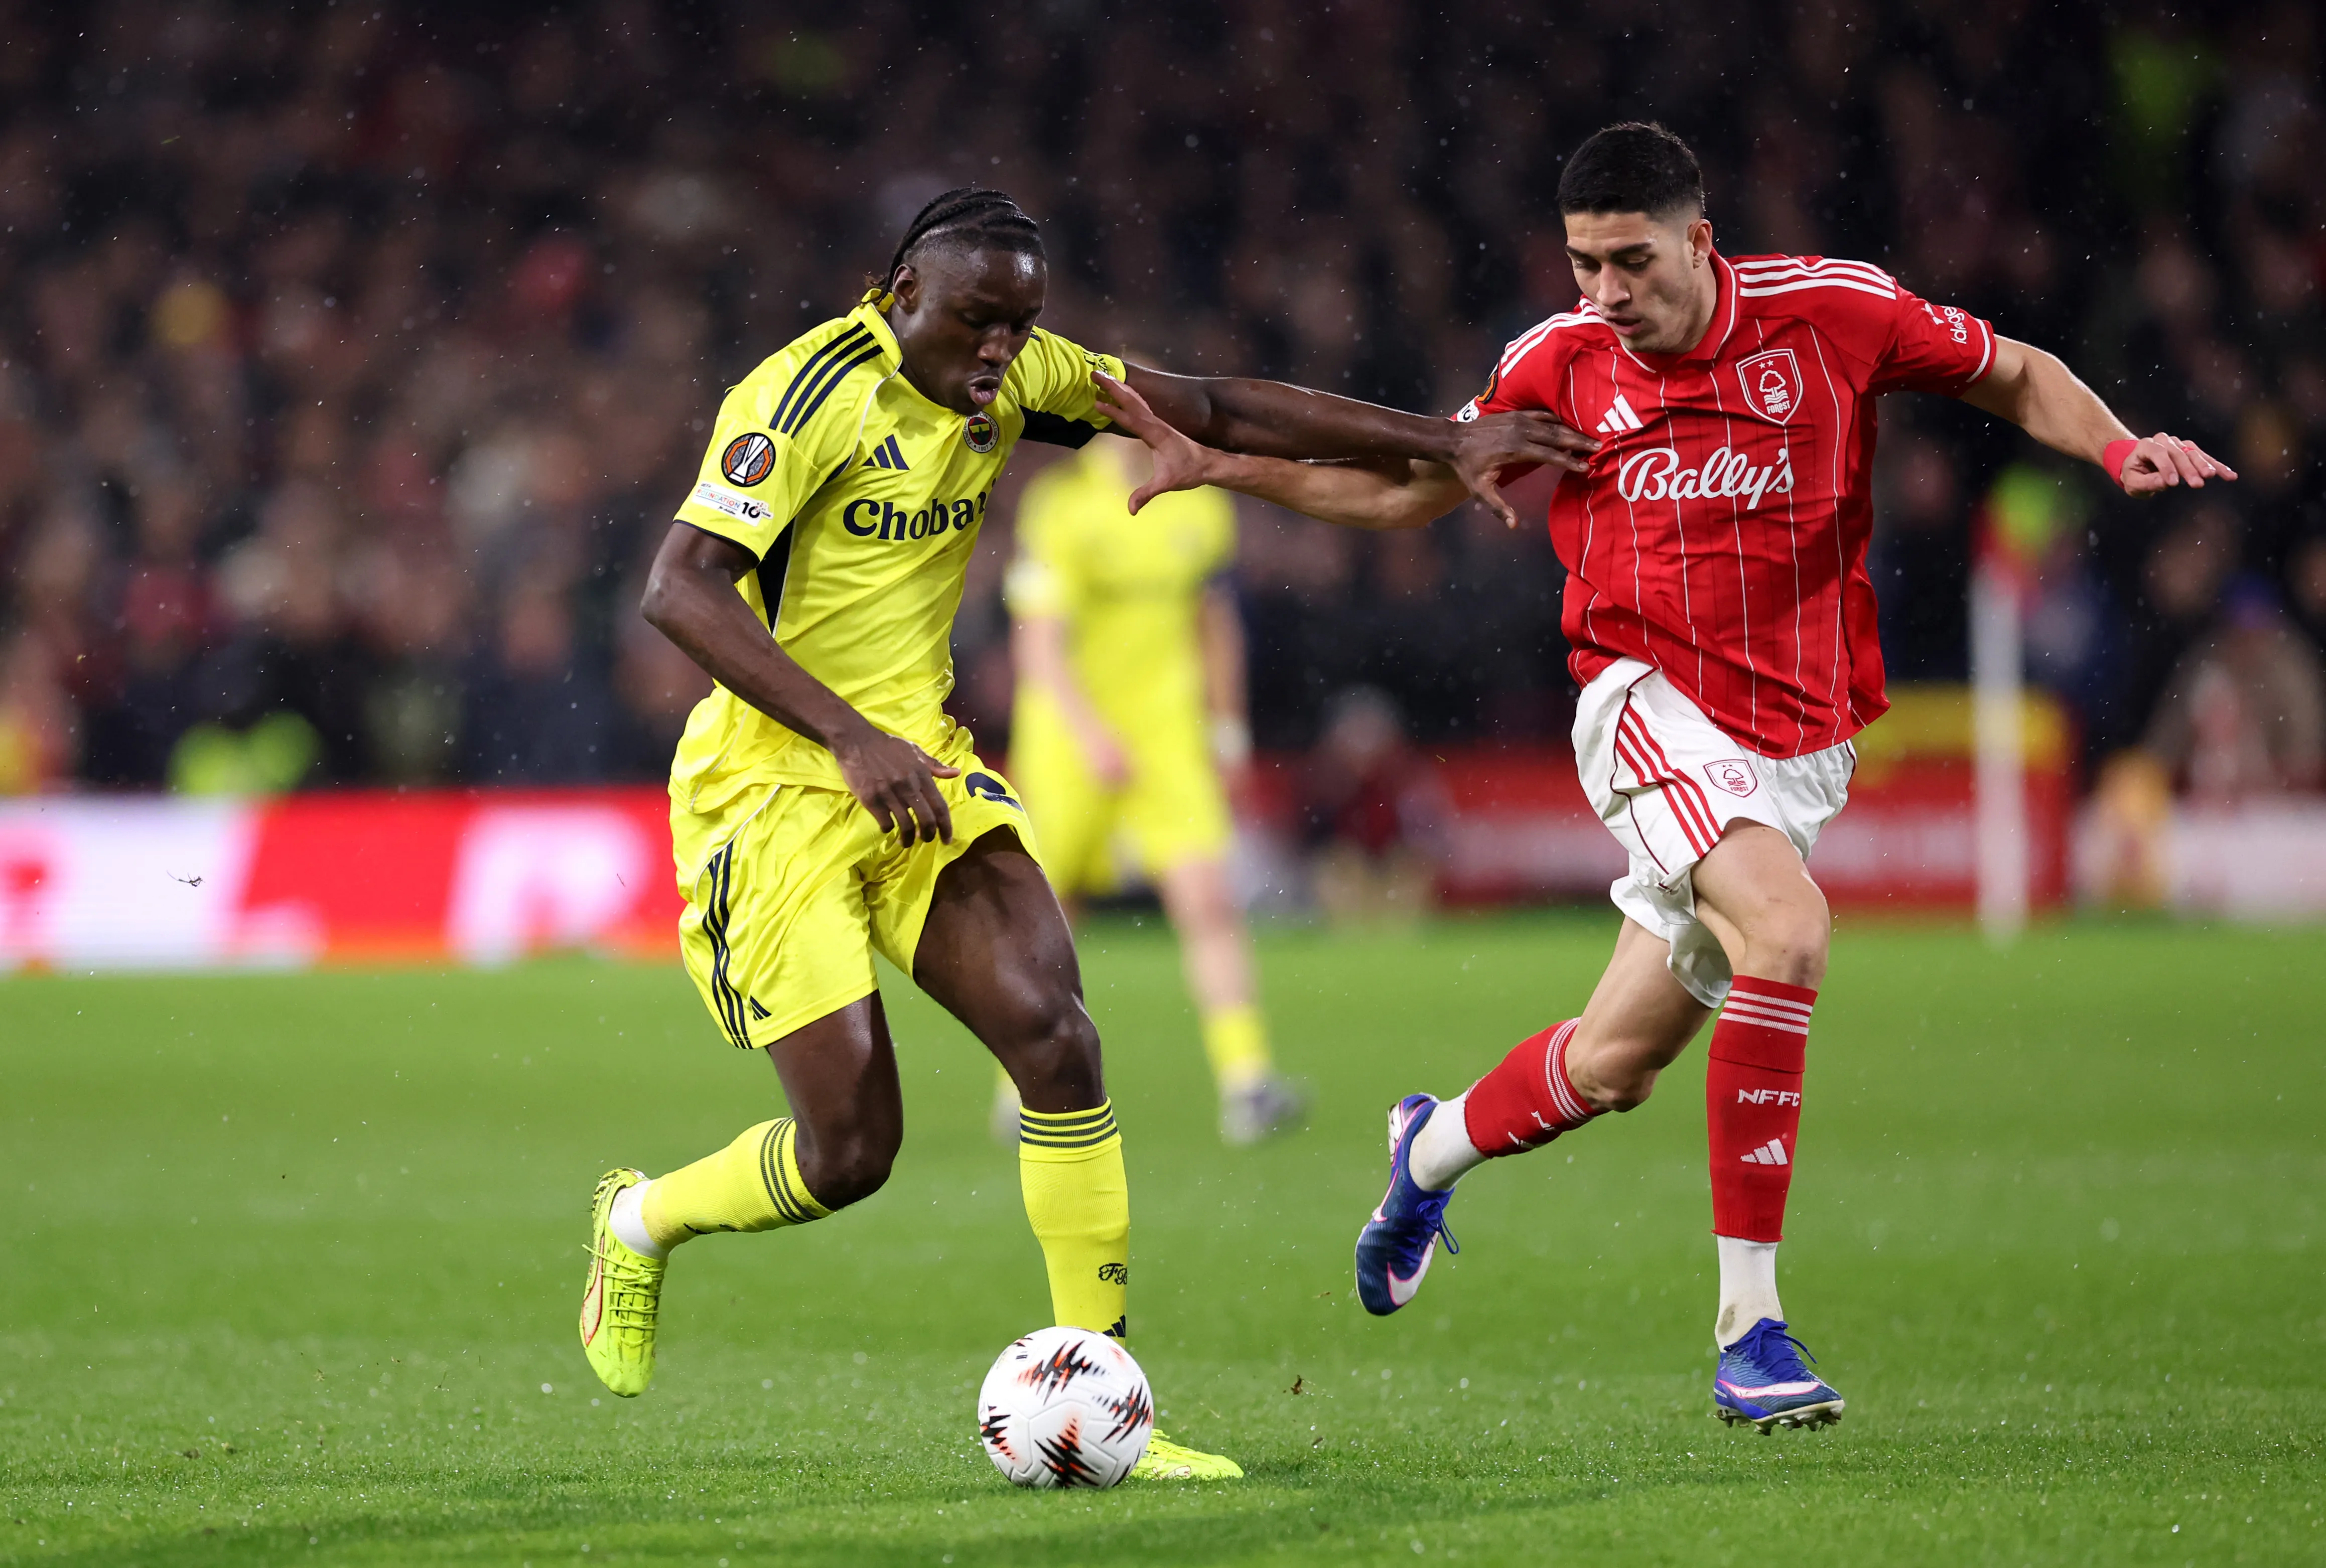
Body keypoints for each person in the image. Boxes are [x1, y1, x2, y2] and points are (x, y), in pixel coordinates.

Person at [1092, 123, 2236, 1433]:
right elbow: (1414, 489)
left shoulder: (1833, 311)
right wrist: (1228, 467)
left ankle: (1429, 1146)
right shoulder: (1559, 364)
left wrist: (2113, 446)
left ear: (1701, 242)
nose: (1603, 294)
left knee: (1614, 1063)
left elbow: (2011, 370)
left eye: (1629, 262)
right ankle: (1751, 1330)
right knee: (1789, 931)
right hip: (1647, 707)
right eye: (1583, 264)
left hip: (1801, 745)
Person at [573, 187, 1588, 1480]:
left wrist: (1440, 439)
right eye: (979, 321)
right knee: (850, 1153)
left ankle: (1107, 1396)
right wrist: (849, 735)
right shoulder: (809, 391)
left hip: (921, 773)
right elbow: (678, 588)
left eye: (1022, 324)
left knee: (1057, 1036)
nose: (1002, 350)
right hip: (771, 791)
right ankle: (642, 1219)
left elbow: (1213, 405)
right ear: (902, 294)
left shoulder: (1016, 380)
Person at [999, 436, 1305, 1145]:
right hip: (1070, 738)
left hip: (1167, 738)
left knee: (1208, 901)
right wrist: (1090, 734)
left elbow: (1215, 624)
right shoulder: (1062, 508)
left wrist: (1228, 733)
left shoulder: (1195, 505)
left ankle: (1247, 1081)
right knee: (1051, 916)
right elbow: (1038, 642)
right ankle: (1021, 1082)